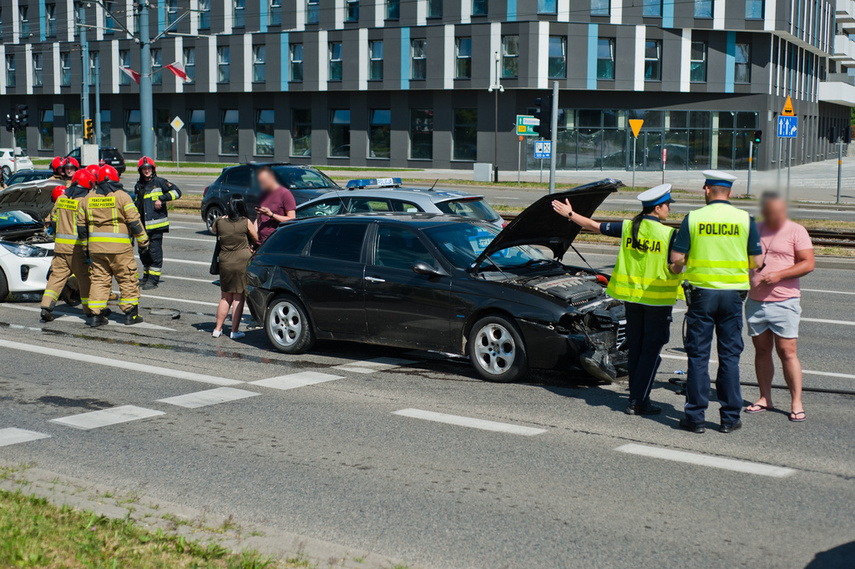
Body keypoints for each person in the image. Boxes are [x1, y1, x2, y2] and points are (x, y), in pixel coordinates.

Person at [553, 184, 683, 415]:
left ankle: (635, 397)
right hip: (657, 302)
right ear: (658, 207)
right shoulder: (669, 234)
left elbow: (594, 226)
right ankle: (639, 402)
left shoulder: (627, 227)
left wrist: (570, 215)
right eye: (667, 206)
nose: (669, 210)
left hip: (631, 300)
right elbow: (674, 267)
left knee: (637, 350)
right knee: (651, 353)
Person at [671, 171, 764, 434]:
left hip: (702, 296)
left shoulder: (694, 218)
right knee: (729, 358)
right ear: (730, 193)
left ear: (707, 190)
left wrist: (695, 259)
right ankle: (730, 418)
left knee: (698, 357)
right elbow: (757, 262)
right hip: (734, 296)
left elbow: (677, 258)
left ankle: (695, 418)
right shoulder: (745, 219)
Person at [745, 193, 814, 422]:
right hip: (756, 302)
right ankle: (765, 398)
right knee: (762, 351)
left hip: (785, 301)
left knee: (787, 352)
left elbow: (808, 263)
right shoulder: (754, 228)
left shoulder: (796, 230)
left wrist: (779, 275)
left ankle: (796, 402)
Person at [84, 165, 150, 327]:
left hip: (96, 249)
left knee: (99, 280)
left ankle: (96, 316)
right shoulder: (122, 197)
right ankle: (130, 314)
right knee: (127, 278)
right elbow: (134, 222)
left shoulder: (88, 198)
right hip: (119, 249)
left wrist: (85, 248)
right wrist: (143, 242)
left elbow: (81, 227)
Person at [39, 170, 96, 322]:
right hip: (76, 249)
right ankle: (88, 309)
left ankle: (46, 307)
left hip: (60, 248)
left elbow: (54, 221)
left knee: (56, 278)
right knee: (85, 278)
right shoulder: (83, 201)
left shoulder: (61, 199)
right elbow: (86, 226)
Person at [211, 195, 258, 339]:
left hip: (225, 260)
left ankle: (217, 329)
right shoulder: (245, 222)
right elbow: (256, 238)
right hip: (241, 259)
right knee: (238, 297)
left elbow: (213, 230)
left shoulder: (219, 221)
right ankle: (234, 330)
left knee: (225, 297)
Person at [134, 156, 181, 289]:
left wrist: (163, 198)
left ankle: (153, 280)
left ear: (153, 169)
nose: (147, 170)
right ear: (140, 171)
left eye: (149, 168)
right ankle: (146, 276)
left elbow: (177, 192)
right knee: (143, 252)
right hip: (142, 226)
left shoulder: (160, 182)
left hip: (156, 226)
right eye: (144, 169)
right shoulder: (139, 185)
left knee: (154, 252)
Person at [254, 166, 296, 248]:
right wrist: (254, 240)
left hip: (276, 242)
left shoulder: (285, 194)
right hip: (261, 243)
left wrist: (271, 214)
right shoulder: (263, 194)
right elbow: (258, 219)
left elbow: (292, 219)